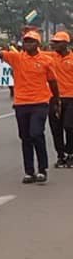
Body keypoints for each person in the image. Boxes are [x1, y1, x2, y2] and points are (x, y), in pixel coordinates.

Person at [0, 30, 59, 183]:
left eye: (31, 41)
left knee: (36, 133)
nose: (28, 44)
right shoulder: (16, 58)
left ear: (38, 44)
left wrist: (56, 100)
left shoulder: (46, 60)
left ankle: (42, 169)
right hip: (21, 103)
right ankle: (29, 172)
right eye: (26, 41)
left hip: (40, 102)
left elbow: (53, 82)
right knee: (25, 137)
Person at [45, 31, 73, 167]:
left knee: (69, 126)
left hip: (71, 98)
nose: (54, 44)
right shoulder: (50, 57)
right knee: (56, 128)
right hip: (55, 98)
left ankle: (70, 153)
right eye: (53, 42)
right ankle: (60, 155)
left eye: (57, 42)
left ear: (66, 44)